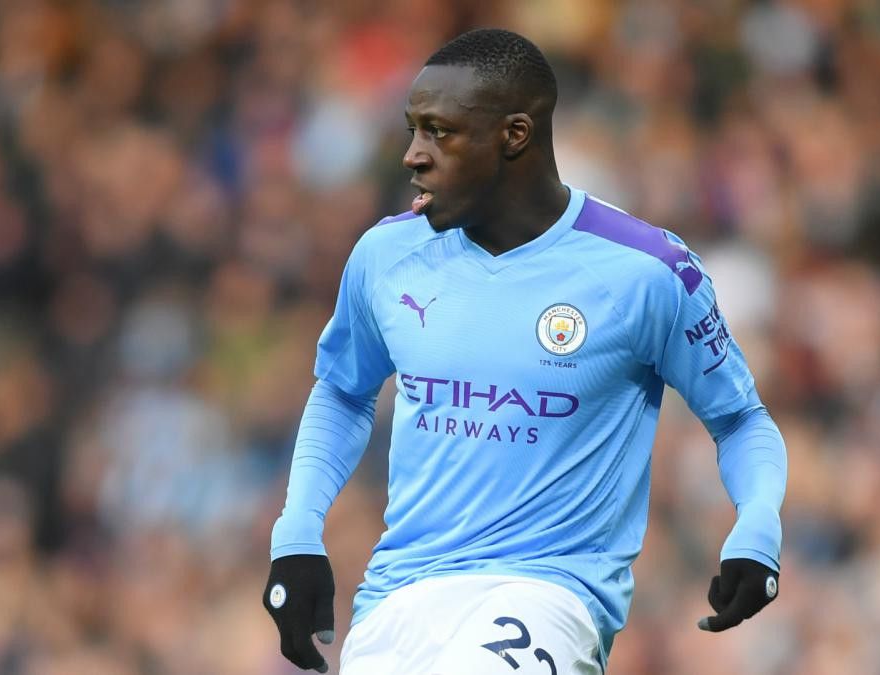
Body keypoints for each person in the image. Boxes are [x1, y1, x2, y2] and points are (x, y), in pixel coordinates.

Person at [262, 28, 787, 674]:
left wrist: (756, 525)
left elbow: (739, 419)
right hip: (399, 598)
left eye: (439, 132)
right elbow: (344, 393)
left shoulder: (645, 271)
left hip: (548, 596)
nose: (413, 156)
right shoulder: (386, 254)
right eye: (413, 131)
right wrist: (297, 533)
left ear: (514, 135)